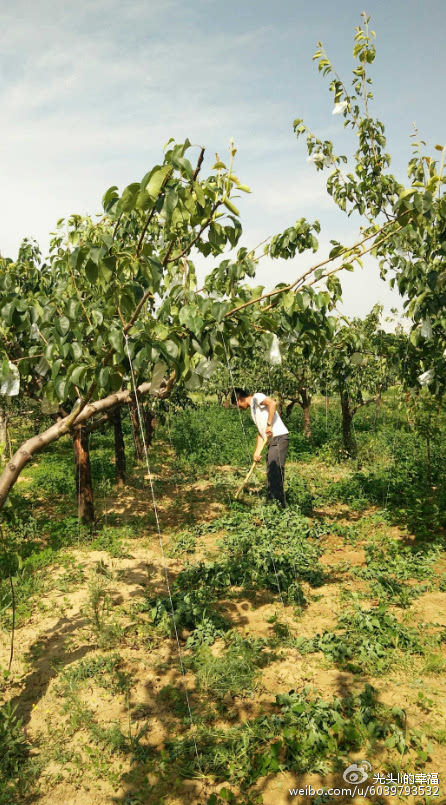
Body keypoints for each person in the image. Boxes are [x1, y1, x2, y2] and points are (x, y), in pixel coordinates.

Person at [231, 387, 289, 506]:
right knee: (270, 471)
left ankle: (279, 506)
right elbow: (261, 433)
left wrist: (269, 424)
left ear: (240, 399)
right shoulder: (253, 410)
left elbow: (272, 403)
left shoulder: (256, 397)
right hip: (272, 441)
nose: (239, 408)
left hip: (279, 437)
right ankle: (273, 503)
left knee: (275, 471)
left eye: (237, 405)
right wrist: (257, 452)